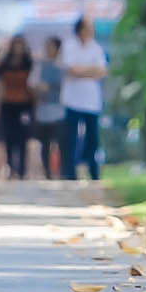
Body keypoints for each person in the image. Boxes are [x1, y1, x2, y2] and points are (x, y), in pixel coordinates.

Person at [58, 14, 110, 180]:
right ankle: (70, 174)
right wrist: (90, 71)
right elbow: (71, 69)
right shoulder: (69, 46)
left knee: (92, 140)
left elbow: (102, 71)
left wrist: (81, 71)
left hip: (91, 101)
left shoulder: (96, 48)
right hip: (72, 100)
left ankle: (93, 173)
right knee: (70, 139)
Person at [0, 39, 41, 181]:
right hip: (8, 104)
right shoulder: (4, 64)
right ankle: (10, 167)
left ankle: (22, 169)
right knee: (9, 137)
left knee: (22, 137)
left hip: (24, 104)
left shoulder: (29, 63)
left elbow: (33, 84)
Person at [31, 35, 69, 180]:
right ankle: (47, 172)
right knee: (45, 143)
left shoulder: (63, 66)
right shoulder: (40, 65)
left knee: (60, 142)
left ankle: (61, 171)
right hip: (43, 110)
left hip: (59, 110)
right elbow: (33, 85)